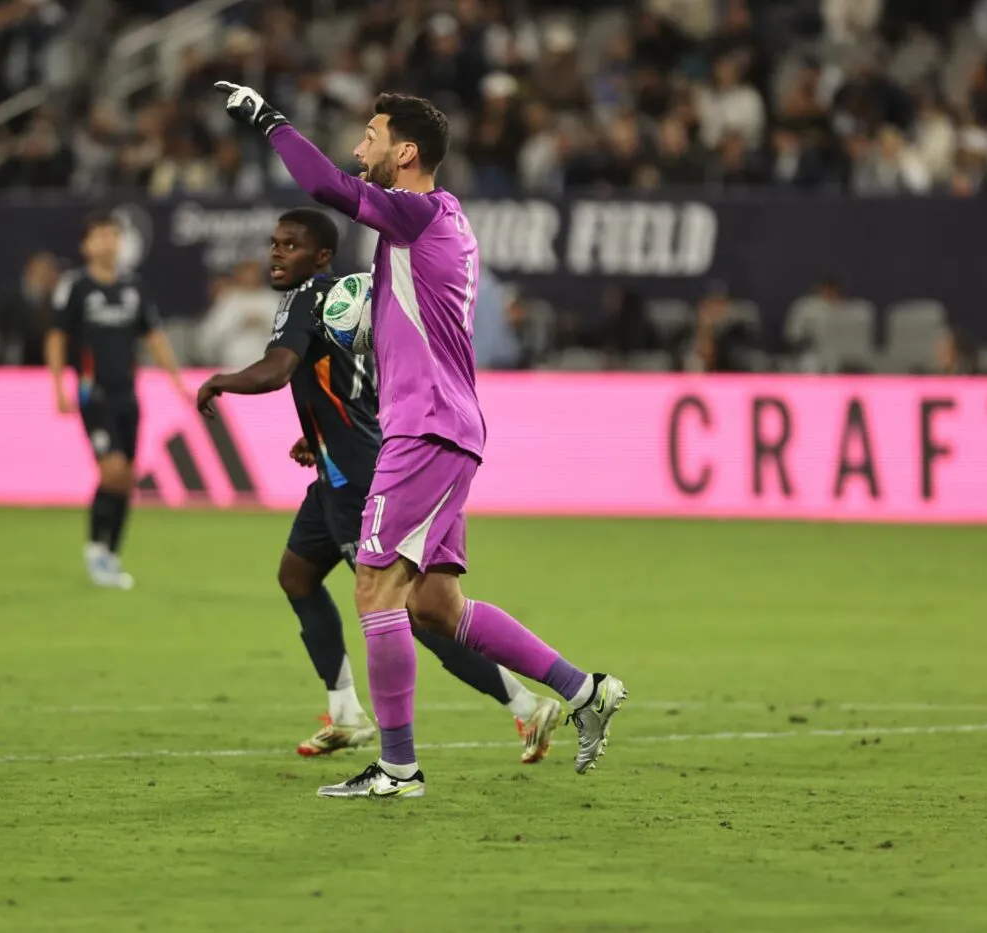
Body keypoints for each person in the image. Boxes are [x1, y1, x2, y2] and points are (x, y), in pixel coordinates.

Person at [215, 83, 627, 799]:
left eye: (370, 136)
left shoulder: (415, 214)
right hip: (447, 426)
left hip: (425, 427)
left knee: (374, 584)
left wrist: (270, 119)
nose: (357, 148)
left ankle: (398, 765)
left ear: (404, 152)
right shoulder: (447, 221)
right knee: (435, 606)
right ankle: (583, 688)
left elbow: (322, 183)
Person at [195, 209, 563, 763]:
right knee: (296, 575)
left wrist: (221, 379)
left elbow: (277, 369)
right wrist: (314, 434)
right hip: (337, 467)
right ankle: (345, 712)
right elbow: (355, 382)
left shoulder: (306, 300)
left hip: (357, 480)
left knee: (412, 611)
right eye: (274, 244)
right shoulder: (355, 302)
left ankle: (524, 705)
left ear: (321, 257)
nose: (276, 254)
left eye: (290, 246)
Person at [46, 211, 186, 589]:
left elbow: (153, 336)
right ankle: (95, 549)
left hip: (128, 394)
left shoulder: (134, 287)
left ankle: (112, 553)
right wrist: (59, 387)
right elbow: (57, 337)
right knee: (112, 471)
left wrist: (177, 382)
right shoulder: (75, 287)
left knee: (126, 479)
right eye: (100, 236)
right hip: (94, 394)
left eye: (113, 235)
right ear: (86, 245)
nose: (108, 242)